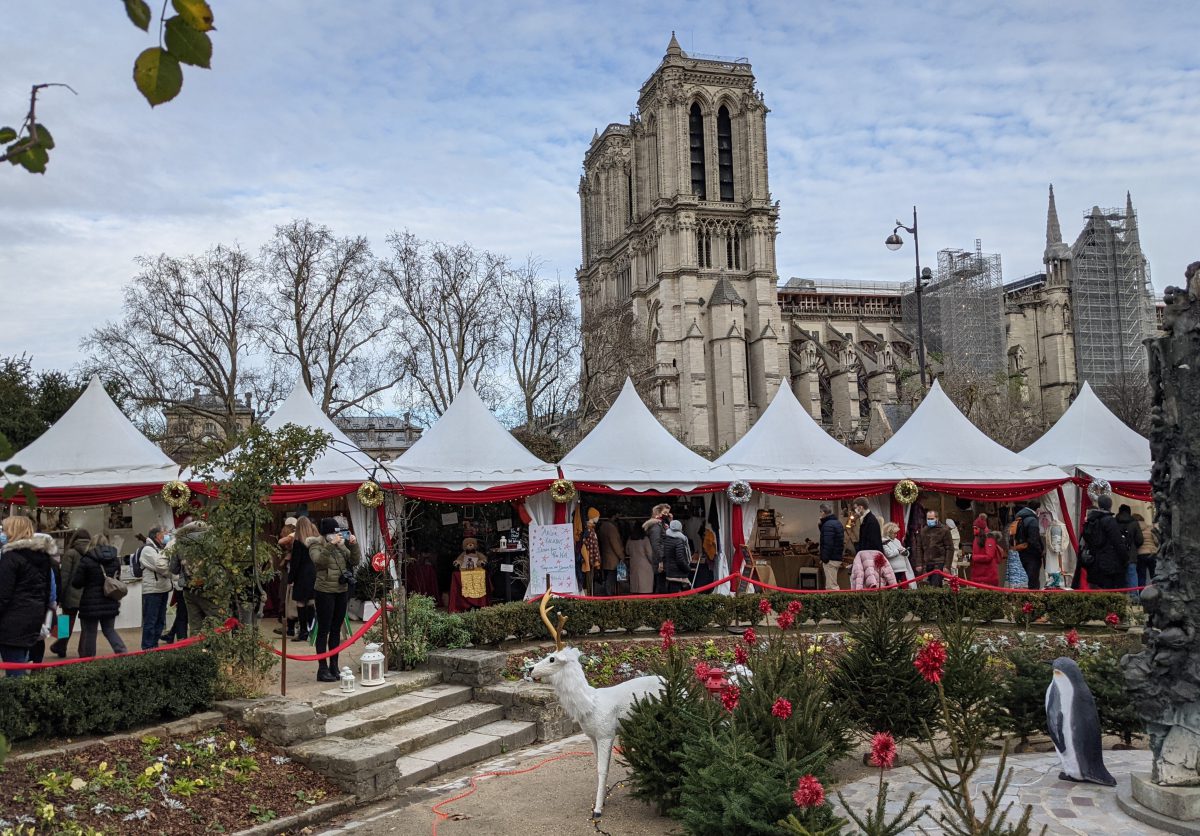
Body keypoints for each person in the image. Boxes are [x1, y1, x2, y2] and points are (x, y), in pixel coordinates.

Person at [0, 517, 55, 676]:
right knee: (19, 665)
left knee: (15, 674)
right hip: (32, 619)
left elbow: (3, 595)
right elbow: (47, 590)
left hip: (11, 623)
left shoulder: (11, 558)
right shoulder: (43, 557)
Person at [309, 518, 356, 682]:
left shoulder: (340, 546)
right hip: (324, 591)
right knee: (324, 630)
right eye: (333, 533)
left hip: (341, 591)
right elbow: (319, 562)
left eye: (337, 532)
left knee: (336, 629)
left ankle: (334, 665)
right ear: (326, 534)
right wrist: (331, 544)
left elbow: (354, 560)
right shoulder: (315, 545)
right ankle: (322, 669)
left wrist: (352, 544)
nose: (336, 535)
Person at [72, 534, 128, 658]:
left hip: (90, 602)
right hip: (110, 599)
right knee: (109, 630)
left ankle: (88, 659)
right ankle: (122, 652)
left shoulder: (86, 559)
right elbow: (117, 578)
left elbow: (77, 582)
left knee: (89, 632)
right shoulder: (114, 559)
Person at [50, 527, 90, 657]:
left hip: (71, 594)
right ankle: (83, 652)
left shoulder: (70, 553)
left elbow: (64, 577)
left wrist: (59, 596)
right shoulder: (92, 552)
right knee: (86, 626)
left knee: (65, 622)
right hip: (87, 595)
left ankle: (60, 646)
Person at [1081, 495, 1128, 590]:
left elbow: (1086, 539)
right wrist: (1125, 558)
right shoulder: (1109, 521)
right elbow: (1117, 542)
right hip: (1110, 563)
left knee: (1098, 592)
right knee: (1111, 591)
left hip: (1094, 562)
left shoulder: (1091, 521)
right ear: (1110, 505)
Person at [138, 526, 173, 650]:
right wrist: (173, 573)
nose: (167, 536)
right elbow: (162, 567)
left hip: (162, 589)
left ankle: (155, 647)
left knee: (160, 621)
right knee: (150, 621)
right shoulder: (148, 550)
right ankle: (147, 647)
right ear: (157, 535)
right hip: (152, 590)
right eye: (165, 533)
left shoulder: (159, 549)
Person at [289, 516, 318, 640]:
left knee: (301, 603)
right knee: (311, 602)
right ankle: (311, 630)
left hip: (301, 575)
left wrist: (290, 579)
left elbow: (295, 563)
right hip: (314, 574)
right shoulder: (315, 540)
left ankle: (303, 631)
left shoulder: (298, 542)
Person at [914, 509, 953, 587]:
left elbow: (950, 548)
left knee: (936, 585)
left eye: (932, 519)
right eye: (928, 519)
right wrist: (919, 563)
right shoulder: (923, 530)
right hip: (927, 562)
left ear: (937, 518)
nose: (929, 520)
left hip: (939, 561)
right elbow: (919, 548)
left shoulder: (944, 530)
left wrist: (947, 565)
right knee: (927, 585)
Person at [1012, 503, 1045, 590]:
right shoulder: (1032, 520)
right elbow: (1034, 540)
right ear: (1037, 509)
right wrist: (1040, 552)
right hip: (1032, 554)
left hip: (1022, 552)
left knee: (1028, 579)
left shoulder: (1020, 518)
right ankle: (1033, 601)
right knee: (1033, 581)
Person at [1115, 504, 1144, 593]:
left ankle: (1120, 598)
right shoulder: (1134, 523)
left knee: (1119, 577)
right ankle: (1134, 598)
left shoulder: (1114, 522)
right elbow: (1140, 540)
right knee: (1132, 575)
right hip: (1131, 554)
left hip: (1118, 555)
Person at [643, 504, 671, 594]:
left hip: (663, 557)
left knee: (661, 583)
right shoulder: (656, 526)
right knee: (661, 585)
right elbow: (656, 544)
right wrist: (660, 561)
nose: (667, 515)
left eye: (668, 513)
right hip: (660, 559)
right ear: (658, 513)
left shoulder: (662, 524)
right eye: (665, 513)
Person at [596, 511, 626, 596]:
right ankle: (610, 595)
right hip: (613, 559)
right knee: (611, 579)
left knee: (608, 577)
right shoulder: (611, 528)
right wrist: (621, 556)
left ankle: (608, 593)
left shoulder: (603, 526)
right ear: (614, 516)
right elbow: (615, 544)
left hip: (606, 557)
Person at [817, 503, 845, 591]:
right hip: (836, 557)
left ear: (823, 512)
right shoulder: (837, 523)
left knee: (831, 586)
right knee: (832, 584)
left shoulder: (828, 525)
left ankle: (834, 604)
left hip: (831, 559)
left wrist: (824, 558)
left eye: (820, 512)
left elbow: (828, 543)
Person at [969, 515, 1002, 587]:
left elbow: (989, 556)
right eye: (973, 528)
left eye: (976, 528)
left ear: (981, 529)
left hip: (988, 574)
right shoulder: (977, 538)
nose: (974, 530)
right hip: (979, 573)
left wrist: (975, 557)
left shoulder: (989, 539)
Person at [881, 521, 915, 588]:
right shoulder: (884, 541)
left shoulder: (897, 541)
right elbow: (888, 554)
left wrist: (906, 552)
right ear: (889, 532)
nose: (896, 535)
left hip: (902, 568)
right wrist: (898, 551)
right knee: (894, 587)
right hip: (893, 569)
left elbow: (902, 549)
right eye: (894, 533)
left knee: (900, 587)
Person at [662, 519, 693, 591]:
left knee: (672, 595)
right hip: (678, 573)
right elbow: (680, 559)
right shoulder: (679, 540)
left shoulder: (666, 539)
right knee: (679, 596)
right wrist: (687, 568)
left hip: (670, 571)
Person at [626, 523, 654, 595]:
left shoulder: (630, 539)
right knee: (645, 588)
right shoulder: (645, 539)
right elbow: (649, 553)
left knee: (635, 586)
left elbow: (627, 551)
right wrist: (653, 563)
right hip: (645, 565)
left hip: (634, 564)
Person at [1134, 513, 1158, 588]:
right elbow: (1156, 541)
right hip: (1152, 553)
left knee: (1141, 576)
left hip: (1140, 554)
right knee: (1154, 575)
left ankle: (1142, 593)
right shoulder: (1150, 528)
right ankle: (1156, 591)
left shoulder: (1134, 528)